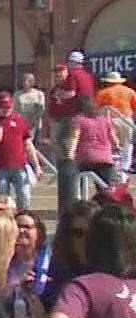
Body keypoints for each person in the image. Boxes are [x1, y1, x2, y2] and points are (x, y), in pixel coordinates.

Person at [51, 50, 98, 211]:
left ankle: (72, 190)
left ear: (72, 63)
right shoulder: (88, 76)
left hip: (73, 116)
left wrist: (58, 94)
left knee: (67, 154)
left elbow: (71, 93)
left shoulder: (73, 76)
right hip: (88, 114)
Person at [0, 88, 35, 212]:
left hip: (20, 165)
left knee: (24, 196)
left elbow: (28, 143)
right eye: (3, 107)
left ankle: (22, 217)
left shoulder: (19, 121)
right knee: (2, 200)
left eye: (8, 107)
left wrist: (36, 165)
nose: (6, 110)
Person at [68, 96, 121, 200]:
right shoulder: (105, 120)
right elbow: (114, 139)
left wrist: (70, 154)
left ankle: (81, 205)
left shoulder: (78, 120)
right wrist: (117, 146)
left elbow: (75, 138)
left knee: (80, 184)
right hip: (105, 158)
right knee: (105, 189)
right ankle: (105, 209)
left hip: (85, 157)